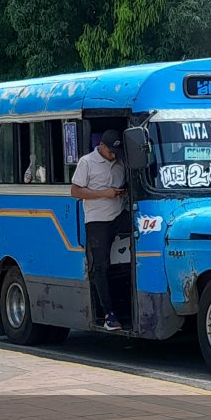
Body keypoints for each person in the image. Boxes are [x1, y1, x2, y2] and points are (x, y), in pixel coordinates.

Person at [71, 130, 128, 330]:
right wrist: (105, 193)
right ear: (102, 146)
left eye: (116, 152)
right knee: (100, 266)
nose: (113, 155)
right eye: (111, 151)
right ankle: (108, 313)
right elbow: (75, 191)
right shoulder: (87, 162)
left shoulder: (119, 162)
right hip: (97, 220)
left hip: (120, 214)